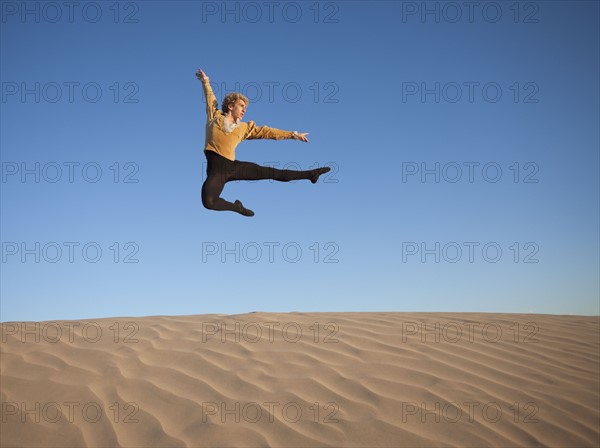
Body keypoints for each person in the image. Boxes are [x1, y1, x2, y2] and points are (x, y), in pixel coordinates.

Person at [196, 68, 330, 217]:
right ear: (230, 106)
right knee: (209, 202)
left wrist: (292, 134)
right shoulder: (215, 116)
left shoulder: (245, 128)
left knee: (274, 173)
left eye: (245, 108)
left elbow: (268, 132)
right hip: (216, 171)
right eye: (241, 106)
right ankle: (238, 208)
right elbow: (210, 98)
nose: (244, 110)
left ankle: (310, 174)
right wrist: (205, 80)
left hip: (233, 167)